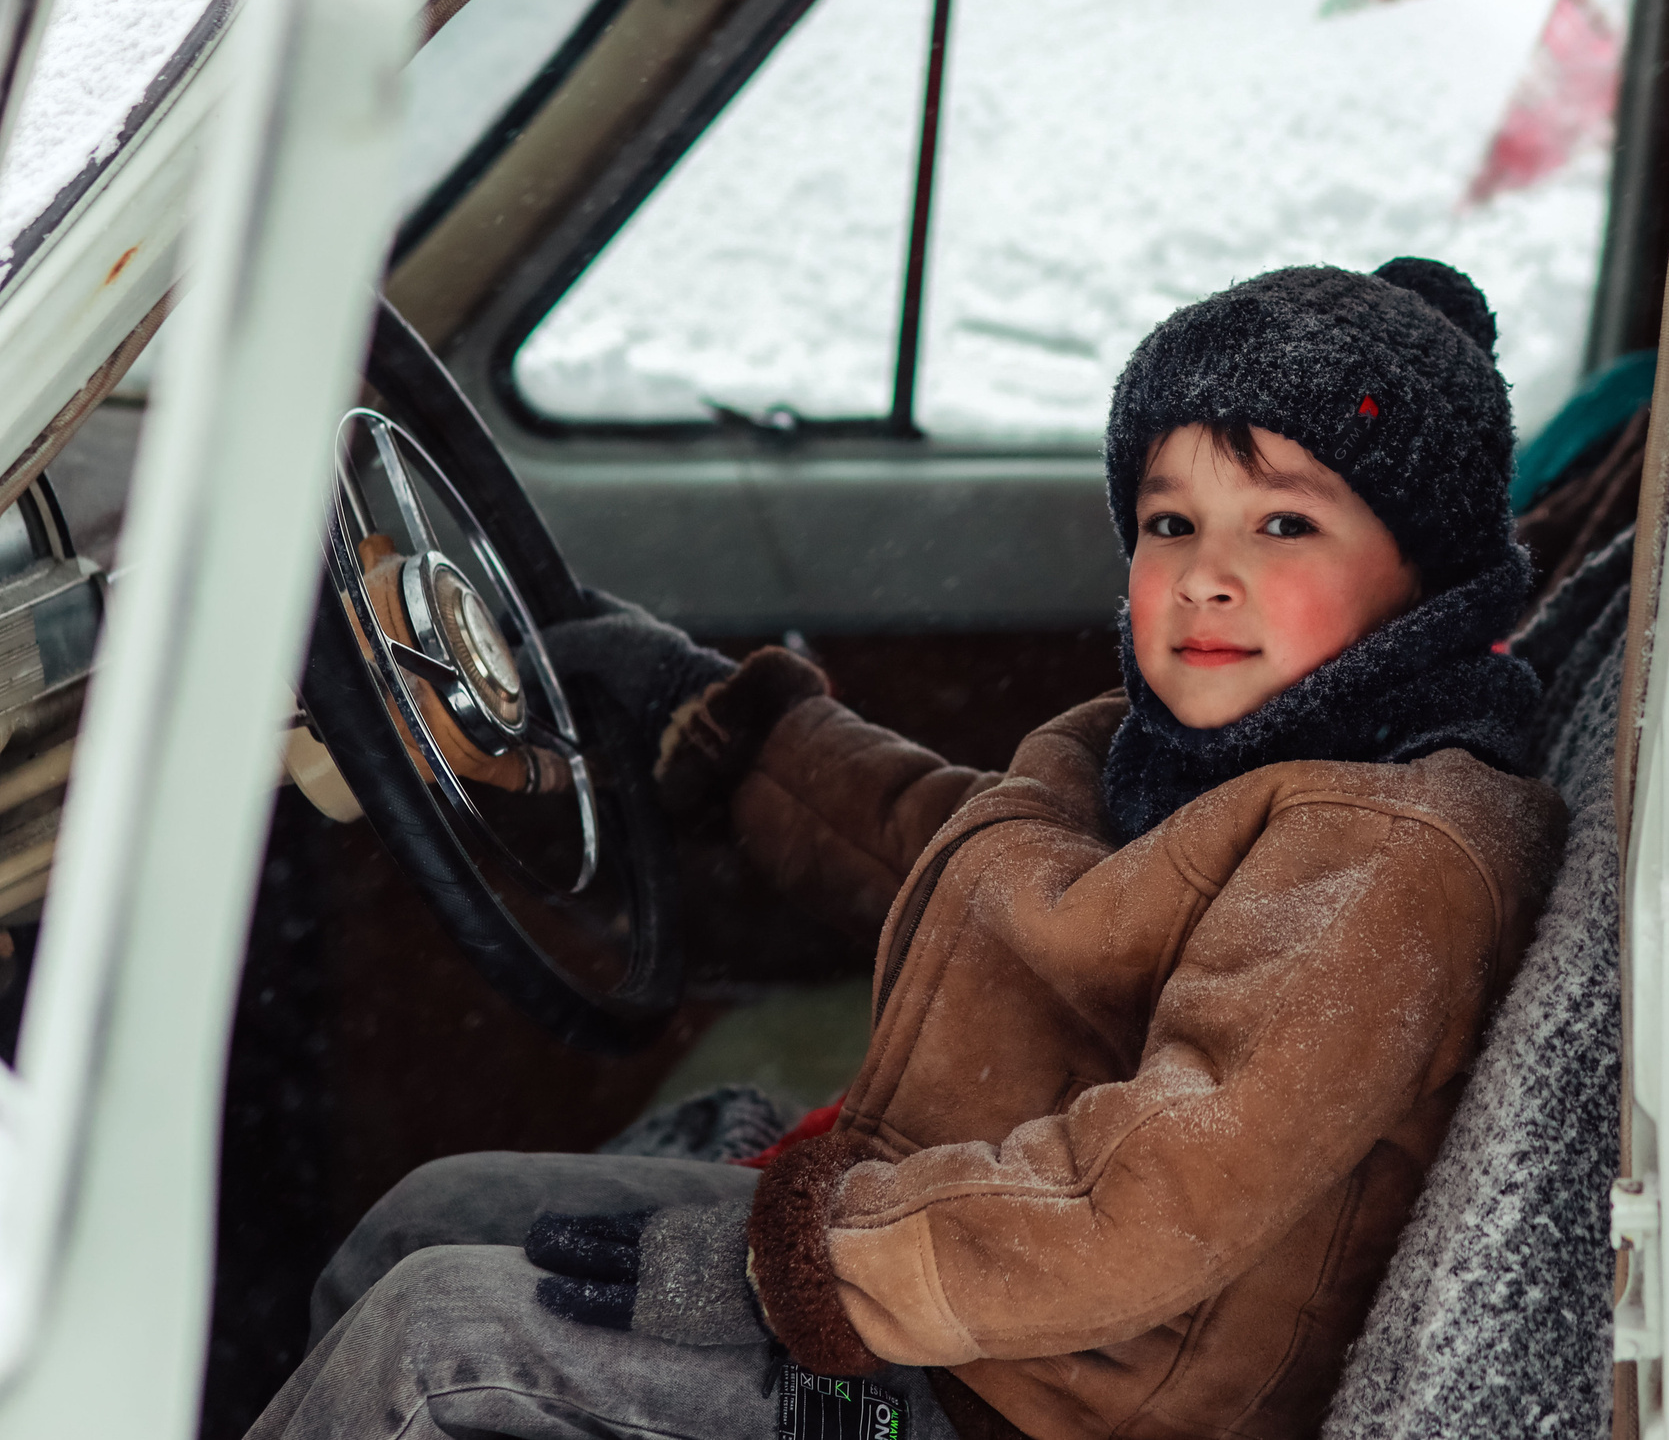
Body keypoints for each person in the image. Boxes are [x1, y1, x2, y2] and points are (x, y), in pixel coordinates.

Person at [247, 258, 1568, 1440]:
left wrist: (795, 1271)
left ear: (1430, 572)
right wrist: (728, 732)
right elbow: (972, 870)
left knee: (437, 1342)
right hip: (943, 1289)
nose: (1207, 574)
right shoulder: (1175, 756)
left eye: (1285, 525)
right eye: (1172, 522)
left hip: (1033, 1401)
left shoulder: (1390, 853)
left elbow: (1153, 1198)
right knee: (427, 1218)